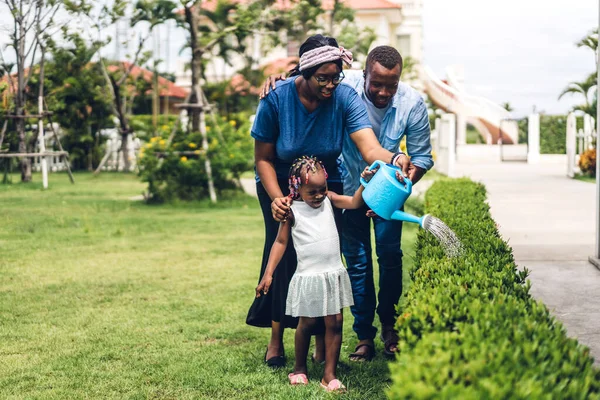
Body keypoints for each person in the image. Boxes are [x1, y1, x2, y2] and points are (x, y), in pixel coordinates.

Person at [246, 35, 410, 368]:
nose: (331, 84)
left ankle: (322, 346)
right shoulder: (276, 99)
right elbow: (262, 158)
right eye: (324, 77)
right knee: (285, 252)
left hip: (325, 181)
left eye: (336, 76)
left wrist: (395, 158)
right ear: (303, 73)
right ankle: (276, 341)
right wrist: (280, 200)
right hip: (280, 181)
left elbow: (370, 148)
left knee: (324, 254)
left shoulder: (344, 97)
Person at [255, 156, 375, 392]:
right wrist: (268, 274)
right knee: (307, 324)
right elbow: (279, 242)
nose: (319, 195)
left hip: (332, 274)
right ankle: (299, 368)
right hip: (309, 277)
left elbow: (353, 202)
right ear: (296, 187)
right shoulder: (291, 211)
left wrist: (365, 183)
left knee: (336, 323)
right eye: (312, 191)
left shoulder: (330, 200)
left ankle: (329, 375)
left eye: (322, 189)